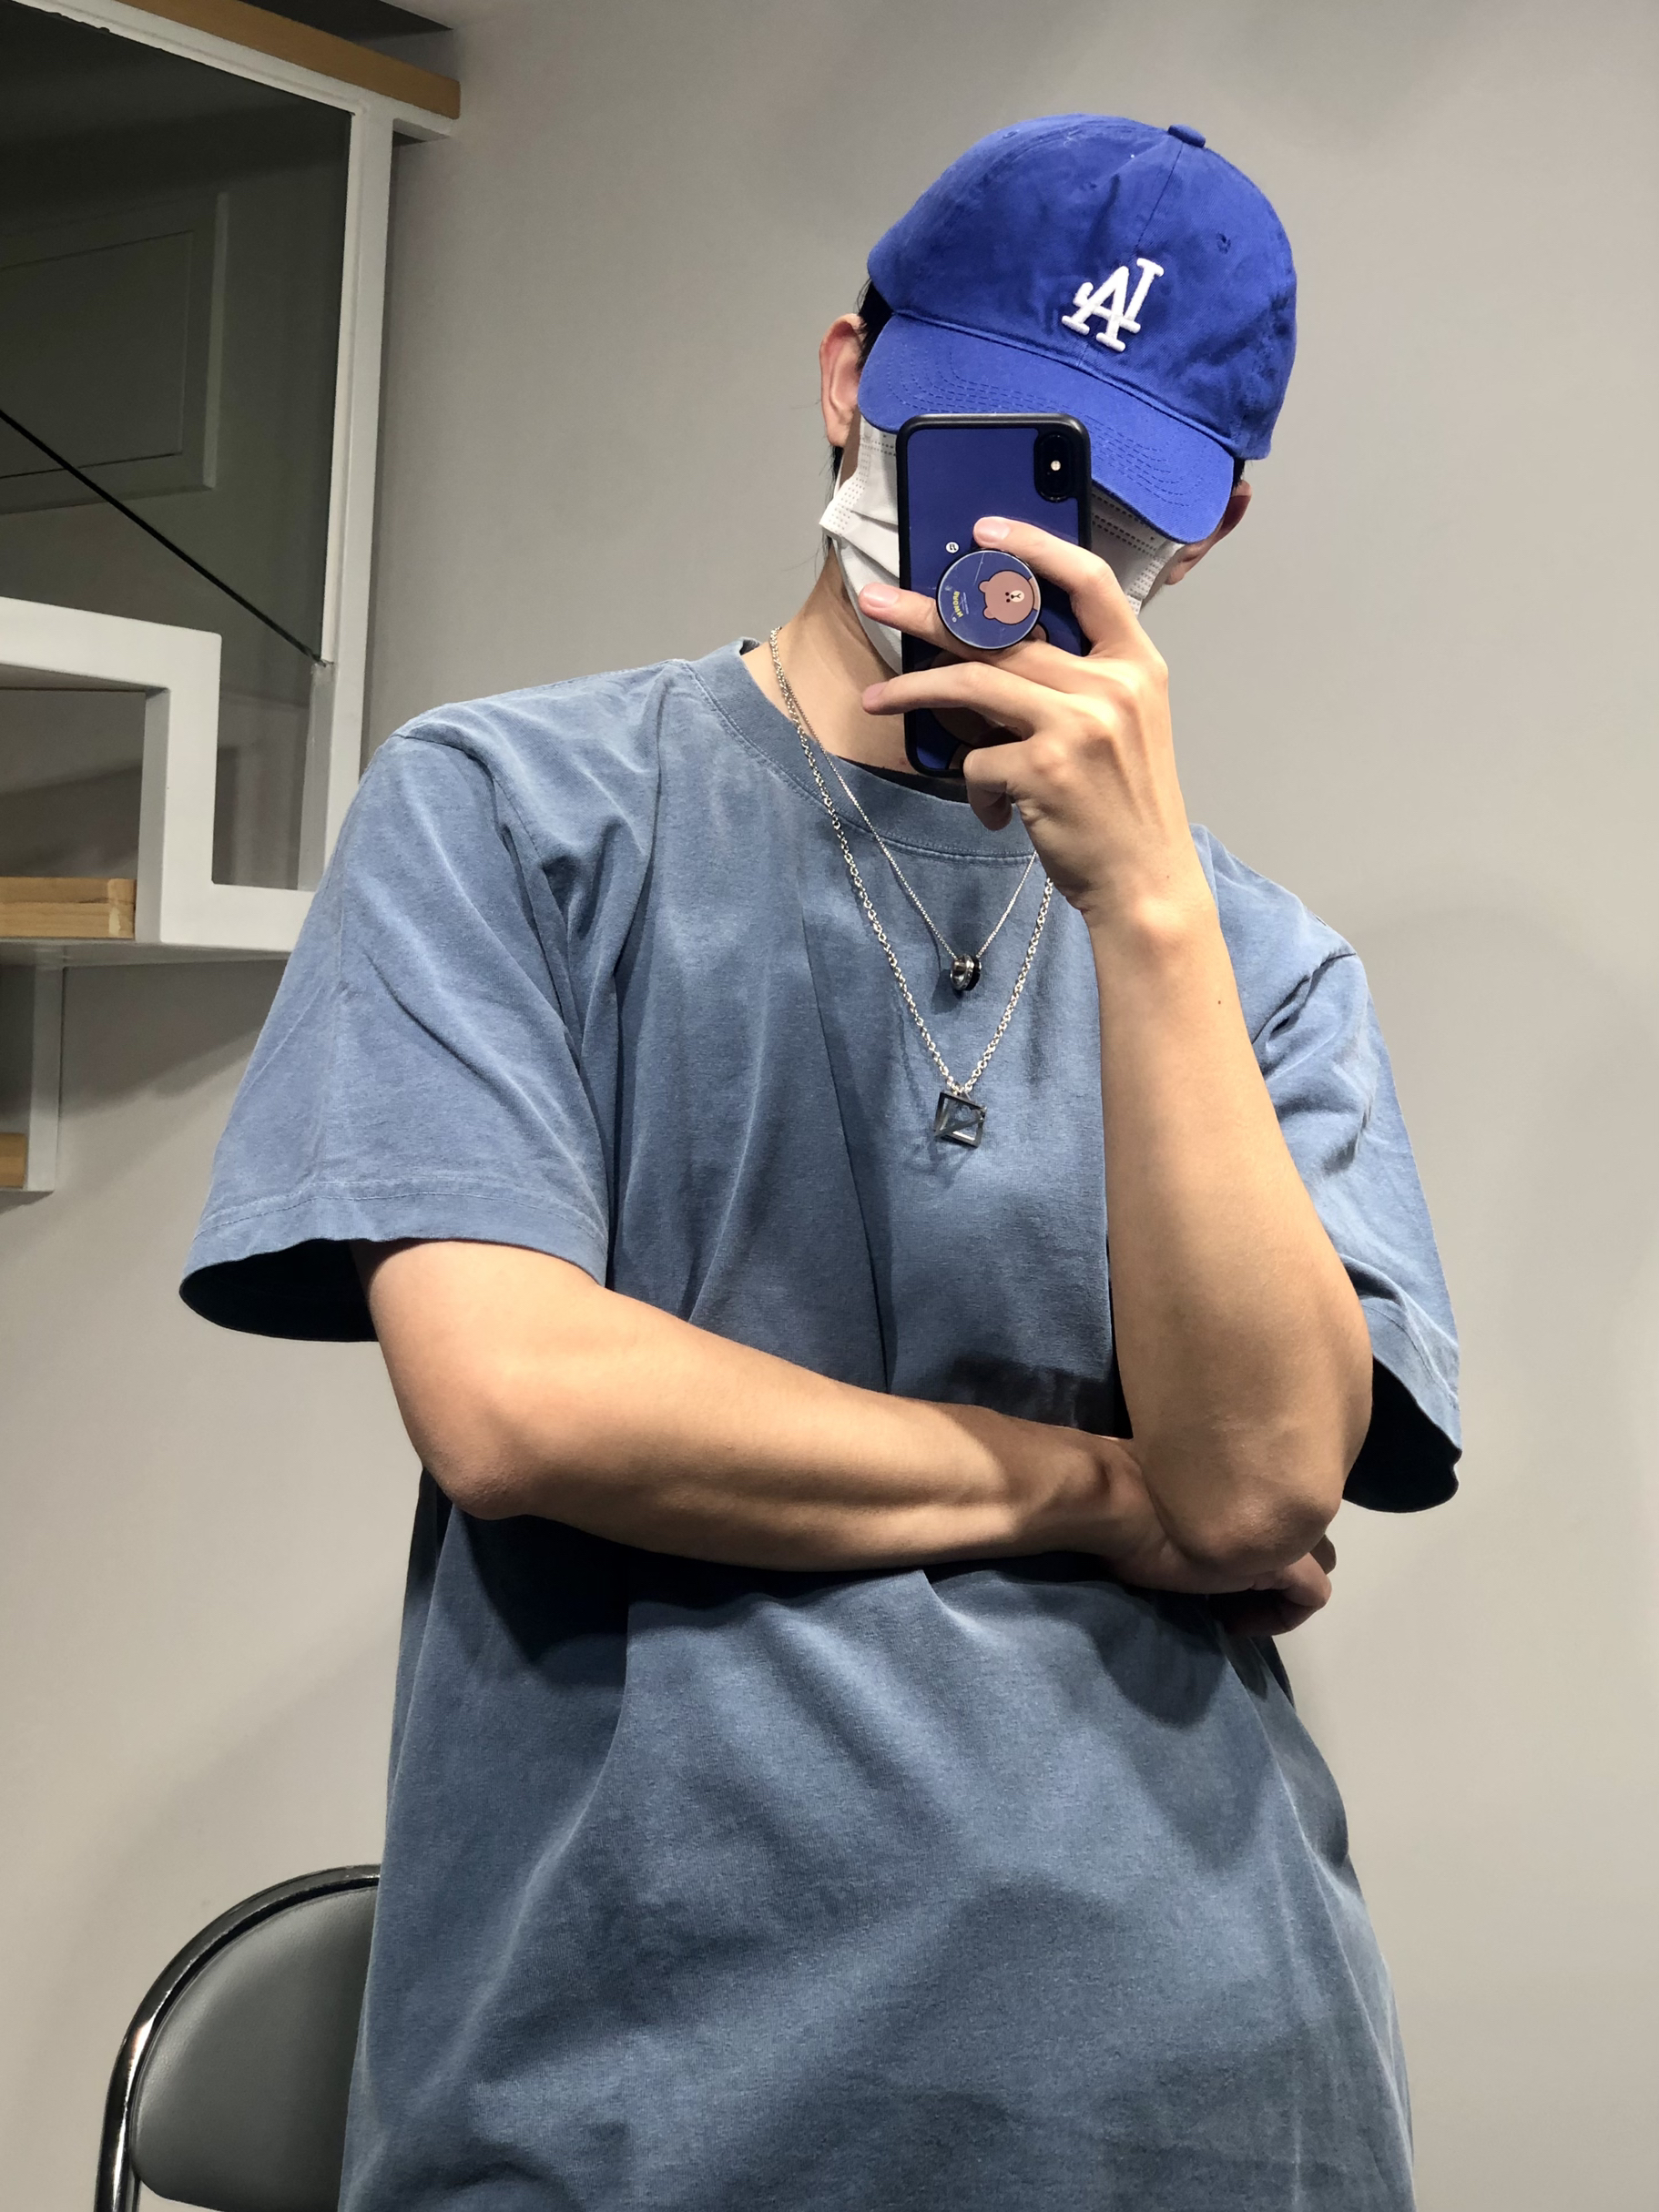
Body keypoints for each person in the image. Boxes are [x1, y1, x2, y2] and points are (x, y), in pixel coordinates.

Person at [183, 114, 1460, 2212]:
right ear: (849, 376)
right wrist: (1098, 1491)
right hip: (632, 2106)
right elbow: (517, 1403)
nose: (1017, 537)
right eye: (984, 442)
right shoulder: (513, 811)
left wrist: (1142, 908)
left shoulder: (1255, 965)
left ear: (1209, 528)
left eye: (1104, 499)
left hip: (1205, 2100)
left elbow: (1251, 1493)